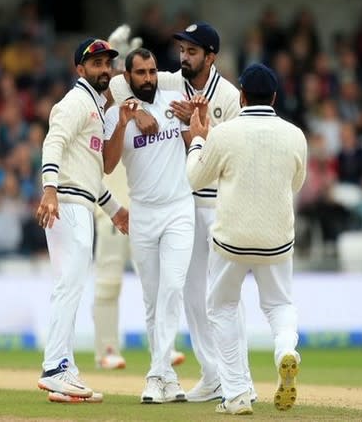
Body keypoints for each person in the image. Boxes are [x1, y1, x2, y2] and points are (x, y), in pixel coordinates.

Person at [108, 21, 255, 402]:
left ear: (210, 56)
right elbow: (123, 85)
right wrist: (138, 108)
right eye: (182, 51)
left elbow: (239, 150)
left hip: (220, 204)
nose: (183, 58)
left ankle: (241, 380)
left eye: (192, 52)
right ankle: (211, 375)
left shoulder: (229, 95)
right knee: (189, 296)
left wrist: (201, 126)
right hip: (185, 204)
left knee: (225, 296)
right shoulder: (170, 84)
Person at [186, 63, 307, 415]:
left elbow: (195, 179)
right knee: (280, 306)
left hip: (231, 241)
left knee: (221, 308)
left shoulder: (223, 134)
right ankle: (285, 349)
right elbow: (296, 183)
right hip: (277, 240)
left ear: (240, 96)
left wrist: (197, 139)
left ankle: (236, 393)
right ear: (273, 96)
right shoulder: (294, 134)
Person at [35, 37, 129, 404]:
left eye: (108, 64)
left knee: (71, 285)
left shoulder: (95, 106)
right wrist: (49, 189)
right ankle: (55, 368)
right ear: (80, 69)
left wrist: (115, 209)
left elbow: (93, 172)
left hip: (80, 203)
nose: (104, 70)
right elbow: (52, 143)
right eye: (96, 64)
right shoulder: (75, 102)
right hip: (66, 205)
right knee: (69, 286)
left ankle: (65, 366)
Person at [103, 47, 194, 403]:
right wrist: (127, 119)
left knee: (173, 288)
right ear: (127, 78)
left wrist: (193, 121)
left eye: (152, 71)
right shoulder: (116, 116)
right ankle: (167, 378)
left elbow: (198, 145)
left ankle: (155, 375)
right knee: (153, 300)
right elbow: (109, 167)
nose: (148, 78)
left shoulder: (175, 100)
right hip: (143, 214)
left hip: (178, 209)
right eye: (140, 73)